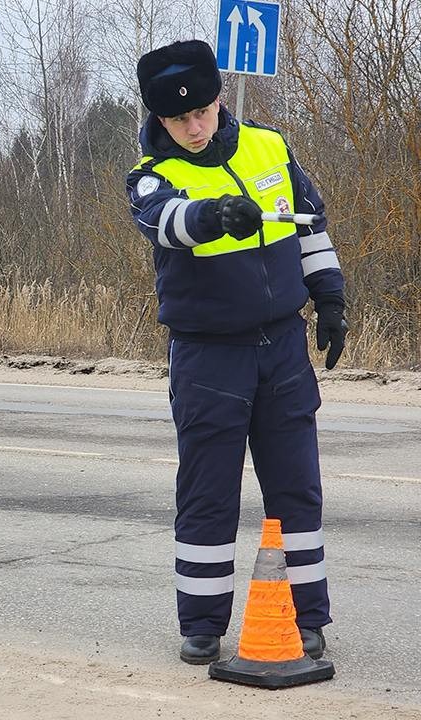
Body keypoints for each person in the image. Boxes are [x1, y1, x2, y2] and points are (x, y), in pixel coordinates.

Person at [125, 39, 347, 665]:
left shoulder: (271, 145)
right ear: (159, 120)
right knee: (208, 495)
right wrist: (217, 215)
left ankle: (307, 619)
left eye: (203, 112)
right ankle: (201, 623)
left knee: (298, 490)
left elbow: (310, 225)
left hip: (282, 348)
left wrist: (329, 297)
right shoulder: (151, 174)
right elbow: (166, 221)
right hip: (209, 358)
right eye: (178, 120)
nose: (194, 128)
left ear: (221, 98)